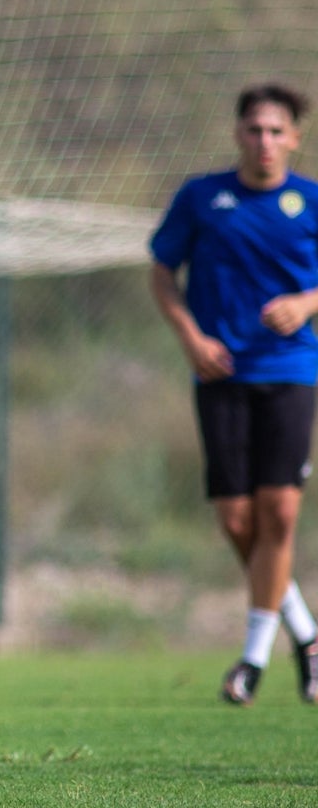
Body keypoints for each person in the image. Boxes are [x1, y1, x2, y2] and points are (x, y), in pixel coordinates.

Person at [150, 82, 318, 705]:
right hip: (219, 376)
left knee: (280, 513)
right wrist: (191, 336)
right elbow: (162, 272)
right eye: (254, 129)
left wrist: (305, 302)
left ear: (295, 138)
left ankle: (250, 663)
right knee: (237, 520)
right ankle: (307, 636)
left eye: (277, 131)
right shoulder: (202, 198)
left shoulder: (311, 202)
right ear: (238, 134)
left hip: (290, 372)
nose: (264, 141)